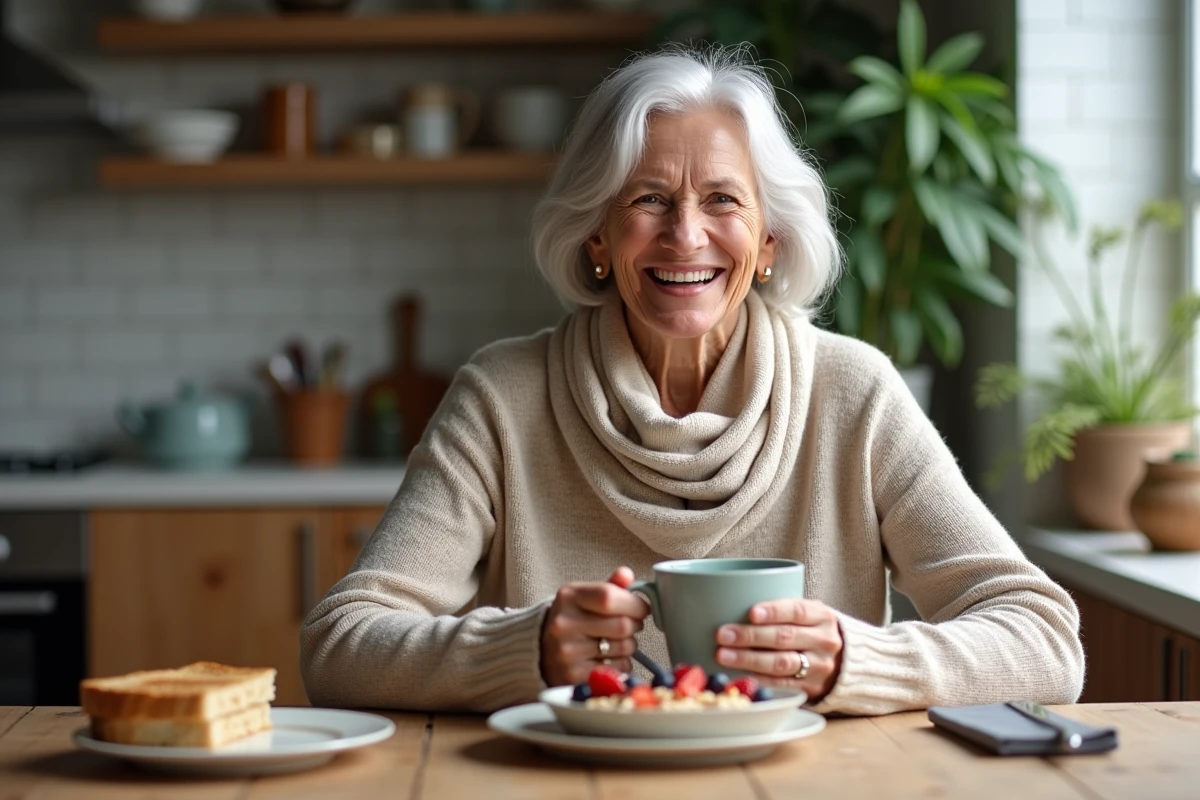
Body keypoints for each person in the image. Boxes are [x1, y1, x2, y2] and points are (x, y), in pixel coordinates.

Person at [301, 47, 1084, 715]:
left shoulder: (853, 391)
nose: (686, 235)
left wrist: (858, 661)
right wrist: (523, 647)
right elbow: (341, 645)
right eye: (648, 199)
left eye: (722, 200)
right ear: (597, 234)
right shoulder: (503, 395)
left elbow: (1045, 640)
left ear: (768, 238)